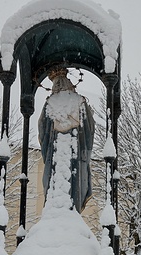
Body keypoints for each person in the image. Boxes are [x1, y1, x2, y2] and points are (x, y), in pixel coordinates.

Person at [38, 67, 95, 212]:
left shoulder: (50, 103)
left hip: (55, 153)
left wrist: (47, 144)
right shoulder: (80, 102)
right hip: (75, 151)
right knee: (76, 184)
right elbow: (89, 130)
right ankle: (72, 210)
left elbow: (42, 130)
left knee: (54, 182)